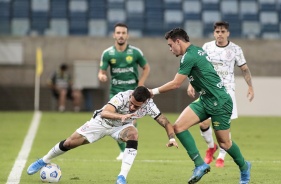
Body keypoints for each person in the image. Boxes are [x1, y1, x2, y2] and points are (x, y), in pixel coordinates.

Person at [149, 28, 251, 184]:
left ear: (178, 41)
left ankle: (244, 167)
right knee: (178, 127)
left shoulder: (189, 56)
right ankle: (200, 165)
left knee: (224, 142)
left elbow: (176, 83)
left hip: (220, 101)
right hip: (205, 99)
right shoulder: (196, 50)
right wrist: (194, 84)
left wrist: (152, 91)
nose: (170, 49)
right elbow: (203, 72)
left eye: (170, 45)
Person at [26, 86, 178, 184]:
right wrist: (121, 116)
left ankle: (122, 177)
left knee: (133, 133)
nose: (132, 107)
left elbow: (165, 122)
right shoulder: (123, 96)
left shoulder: (149, 105)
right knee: (69, 143)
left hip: (122, 127)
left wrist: (171, 138)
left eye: (136, 106)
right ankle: (43, 161)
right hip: (101, 123)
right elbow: (105, 112)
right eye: (131, 103)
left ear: (145, 102)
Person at [187, 21, 254, 168]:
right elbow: (197, 67)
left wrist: (250, 86)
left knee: (223, 126)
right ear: (214, 33)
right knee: (203, 123)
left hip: (226, 91)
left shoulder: (236, 49)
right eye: (217, 32)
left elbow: (244, 68)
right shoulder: (207, 47)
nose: (220, 34)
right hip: (208, 89)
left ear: (228, 33)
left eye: (223, 31)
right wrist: (192, 83)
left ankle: (222, 157)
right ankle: (211, 147)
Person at [98, 23, 150, 160]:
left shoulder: (135, 52)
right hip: (115, 92)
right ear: (114, 35)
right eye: (118, 33)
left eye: (123, 33)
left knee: (131, 122)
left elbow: (146, 68)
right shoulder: (108, 53)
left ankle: (128, 149)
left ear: (127, 35)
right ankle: (123, 152)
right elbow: (101, 71)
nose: (121, 35)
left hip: (131, 95)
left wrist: (141, 84)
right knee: (114, 121)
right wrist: (101, 76)